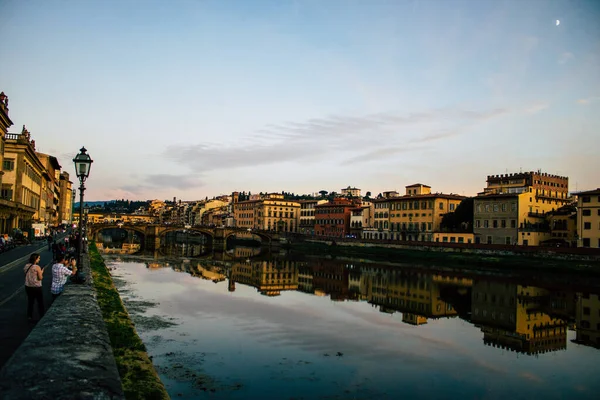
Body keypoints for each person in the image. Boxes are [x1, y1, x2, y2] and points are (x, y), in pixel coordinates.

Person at [24, 253, 45, 321]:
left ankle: (29, 316)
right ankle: (42, 315)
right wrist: (41, 272)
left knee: (30, 302)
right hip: (36, 287)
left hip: (28, 286)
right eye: (38, 258)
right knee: (40, 302)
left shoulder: (26, 266)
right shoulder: (37, 267)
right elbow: (40, 278)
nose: (39, 259)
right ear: (35, 259)